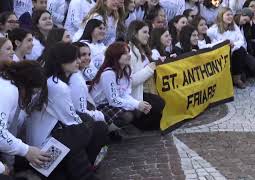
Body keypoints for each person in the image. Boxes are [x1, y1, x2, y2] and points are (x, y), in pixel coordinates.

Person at [27, 42, 108, 180]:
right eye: (74, 58)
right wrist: (96, 117)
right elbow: (72, 121)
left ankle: (81, 172)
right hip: (44, 152)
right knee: (85, 128)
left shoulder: (51, 80)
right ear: (61, 61)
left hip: (44, 143)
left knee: (82, 127)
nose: (78, 61)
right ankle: (86, 174)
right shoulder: (58, 86)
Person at [0, 61, 51, 179]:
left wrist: (9, 164)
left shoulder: (10, 85)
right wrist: (26, 151)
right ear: (25, 84)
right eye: (33, 92)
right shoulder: (8, 91)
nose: (32, 97)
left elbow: (9, 131)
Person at [126, 20, 165, 130]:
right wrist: (149, 69)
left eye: (148, 32)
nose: (148, 35)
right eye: (144, 32)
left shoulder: (141, 50)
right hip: (136, 94)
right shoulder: (129, 52)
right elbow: (130, 81)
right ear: (134, 33)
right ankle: (135, 123)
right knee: (159, 104)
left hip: (146, 90)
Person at [207, 7, 247, 89]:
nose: (230, 17)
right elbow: (211, 43)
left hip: (233, 51)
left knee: (241, 50)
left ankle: (237, 79)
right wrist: (224, 44)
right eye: (227, 15)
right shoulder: (213, 29)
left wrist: (234, 45)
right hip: (220, 53)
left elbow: (241, 40)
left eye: (231, 14)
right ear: (221, 16)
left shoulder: (234, 27)